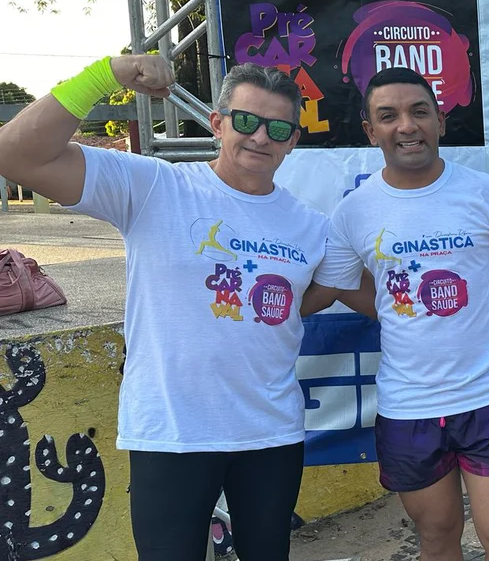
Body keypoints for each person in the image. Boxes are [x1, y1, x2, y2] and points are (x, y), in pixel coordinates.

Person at [0, 56, 335, 559]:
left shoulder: (310, 225)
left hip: (269, 433)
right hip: (172, 432)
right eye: (246, 121)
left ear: (293, 140)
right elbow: (15, 155)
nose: (261, 137)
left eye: (279, 127)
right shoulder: (154, 186)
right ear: (218, 124)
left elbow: (331, 288)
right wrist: (105, 75)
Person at [302, 67, 489, 561]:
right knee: (436, 538)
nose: (406, 126)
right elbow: (339, 286)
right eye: (388, 116)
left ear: (440, 121)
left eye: (419, 111)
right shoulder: (355, 210)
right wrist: (394, 309)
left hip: (487, 398)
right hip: (408, 407)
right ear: (371, 131)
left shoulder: (484, 191)